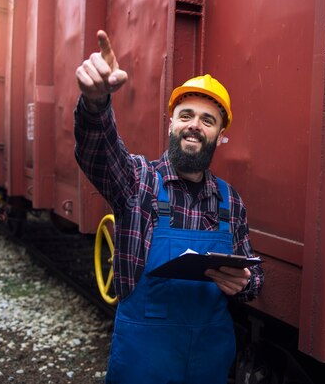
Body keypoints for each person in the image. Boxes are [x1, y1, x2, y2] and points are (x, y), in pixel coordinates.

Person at [74, 30, 264, 384]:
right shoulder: (138, 183)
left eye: (208, 120)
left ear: (221, 135)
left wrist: (247, 282)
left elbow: (253, 272)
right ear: (171, 123)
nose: (195, 125)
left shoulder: (231, 202)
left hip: (208, 369)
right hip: (143, 369)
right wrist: (95, 103)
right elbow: (97, 153)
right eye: (186, 115)